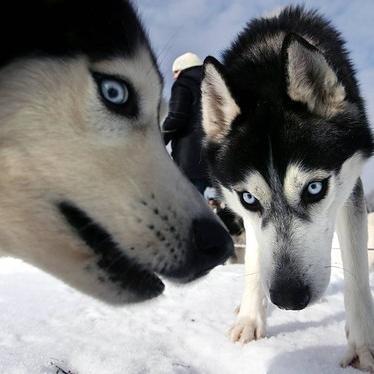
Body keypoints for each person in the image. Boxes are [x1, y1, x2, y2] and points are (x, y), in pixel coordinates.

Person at [162, 52, 209, 195]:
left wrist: (160, 138)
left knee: (185, 204)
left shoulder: (183, 83)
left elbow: (176, 117)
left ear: (184, 68)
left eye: (176, 72)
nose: (174, 77)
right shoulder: (212, 84)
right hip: (210, 160)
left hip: (189, 160)